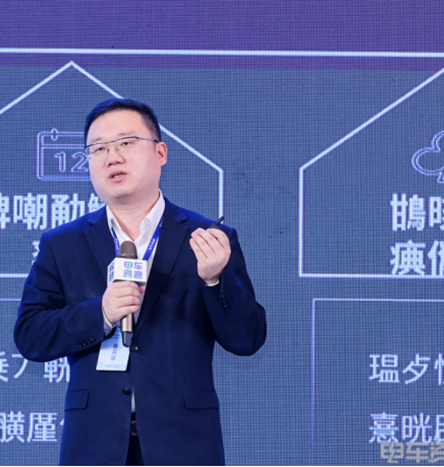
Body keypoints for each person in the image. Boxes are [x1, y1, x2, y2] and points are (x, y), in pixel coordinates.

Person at [15, 98, 266, 465]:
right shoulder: (62, 244)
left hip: (184, 445)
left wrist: (214, 280)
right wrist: (101, 312)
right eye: (98, 149)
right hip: (94, 445)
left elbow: (247, 339)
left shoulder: (208, 238)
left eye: (126, 143)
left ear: (160, 152)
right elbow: (30, 335)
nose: (112, 157)